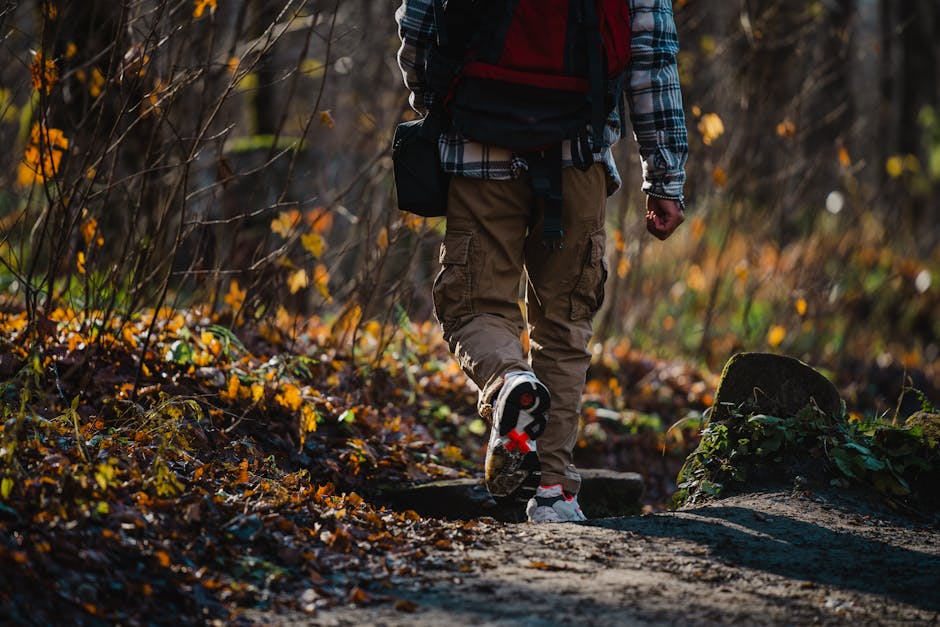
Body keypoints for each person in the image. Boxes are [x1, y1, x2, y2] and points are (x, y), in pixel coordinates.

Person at [396, 0, 688, 523]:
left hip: (479, 136)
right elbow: (652, 55)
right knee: (565, 321)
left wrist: (434, 103)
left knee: (474, 305)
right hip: (579, 150)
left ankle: (510, 382)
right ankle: (554, 491)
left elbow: (418, 19)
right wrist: (664, 175)